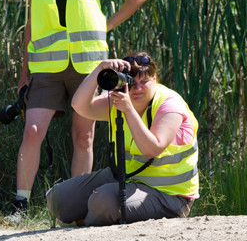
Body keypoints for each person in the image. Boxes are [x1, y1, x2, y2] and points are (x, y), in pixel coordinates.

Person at [9, 0, 147, 218]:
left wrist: (105, 27)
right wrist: (24, 72)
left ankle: (73, 205)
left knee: (83, 136)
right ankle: (20, 206)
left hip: (89, 68)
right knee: (32, 131)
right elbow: (30, 26)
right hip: (46, 68)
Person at [46, 52, 199, 226]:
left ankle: (85, 221)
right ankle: (91, 218)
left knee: (102, 202)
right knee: (57, 199)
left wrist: (128, 110)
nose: (138, 88)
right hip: (127, 178)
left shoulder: (170, 105)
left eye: (145, 82)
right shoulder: (119, 100)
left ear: (155, 78)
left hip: (169, 195)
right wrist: (99, 69)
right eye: (133, 83)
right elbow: (79, 105)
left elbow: (151, 149)